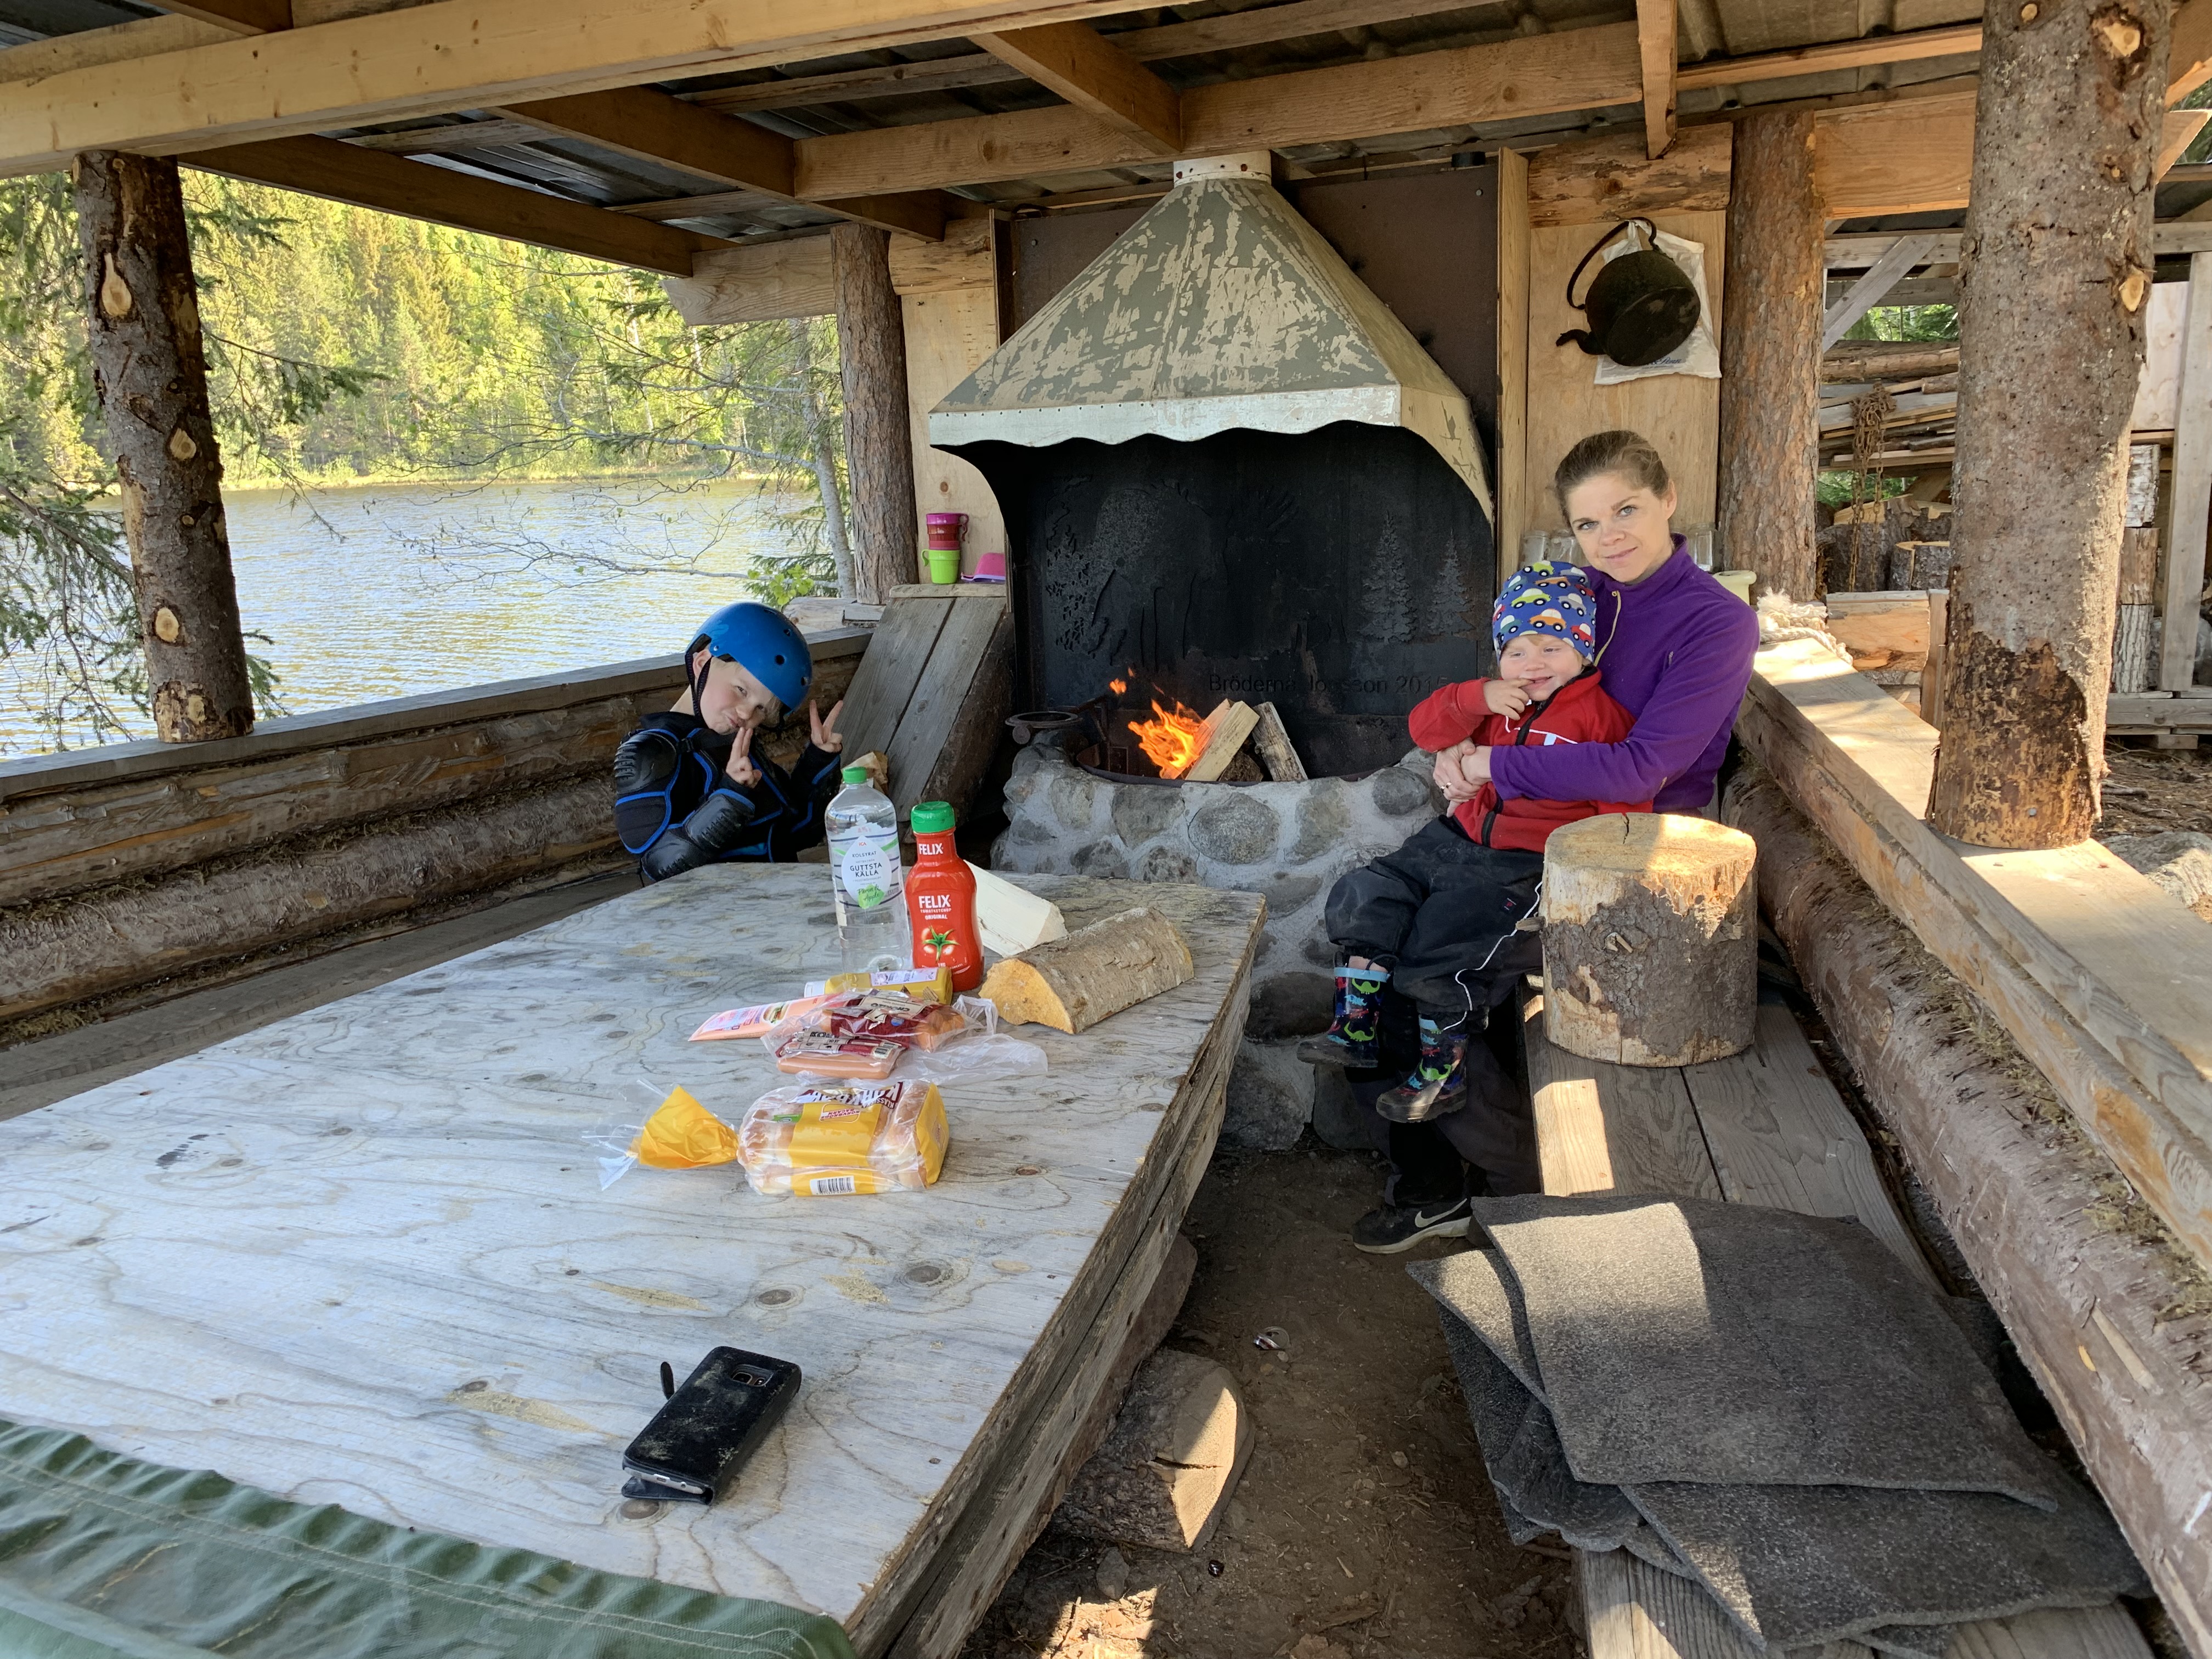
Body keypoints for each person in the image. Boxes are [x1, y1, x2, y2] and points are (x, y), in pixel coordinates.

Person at [1343, 430, 1761, 1254]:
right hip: (1507, 825)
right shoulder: (1577, 597)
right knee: (1370, 956)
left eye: (1626, 511)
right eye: (1587, 523)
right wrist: (1466, 749)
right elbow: (1521, 699)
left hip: (1608, 854)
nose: (1609, 538)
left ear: (1669, 499)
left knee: (1427, 981)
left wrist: (1492, 763)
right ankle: (1429, 1182)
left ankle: (1511, 1177)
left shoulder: (1715, 624)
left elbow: (1642, 765)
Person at [1301, 563, 1652, 1250]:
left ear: (1585, 651)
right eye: (1516, 649)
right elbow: (1427, 724)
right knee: (1368, 902)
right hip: (1458, 845)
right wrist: (1477, 700)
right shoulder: (1499, 704)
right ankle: (1363, 1043)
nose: (1532, 662)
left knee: (1425, 973)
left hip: (1527, 873)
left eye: (1552, 645)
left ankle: (1506, 1177)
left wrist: (1596, 886)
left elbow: (1624, 813)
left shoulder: (1600, 719)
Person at [613, 601, 849, 881]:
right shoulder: (649, 754)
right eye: (741, 690)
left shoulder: (738, 746)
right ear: (702, 663)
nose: (747, 713)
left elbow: (797, 833)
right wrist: (731, 797)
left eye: (761, 709)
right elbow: (661, 865)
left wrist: (819, 759)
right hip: (709, 907)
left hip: (775, 897)